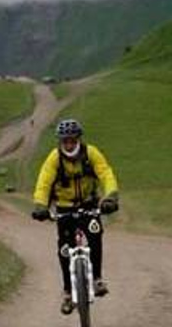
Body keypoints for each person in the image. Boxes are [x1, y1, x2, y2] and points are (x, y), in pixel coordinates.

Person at [31, 118, 119, 315]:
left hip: (88, 204)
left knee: (95, 234)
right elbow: (44, 183)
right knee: (64, 248)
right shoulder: (54, 158)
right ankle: (68, 294)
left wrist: (110, 197)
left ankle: (97, 279)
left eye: (72, 140)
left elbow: (106, 173)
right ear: (60, 141)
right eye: (65, 140)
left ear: (78, 139)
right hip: (64, 208)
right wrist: (40, 205)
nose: (69, 144)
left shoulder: (91, 153)